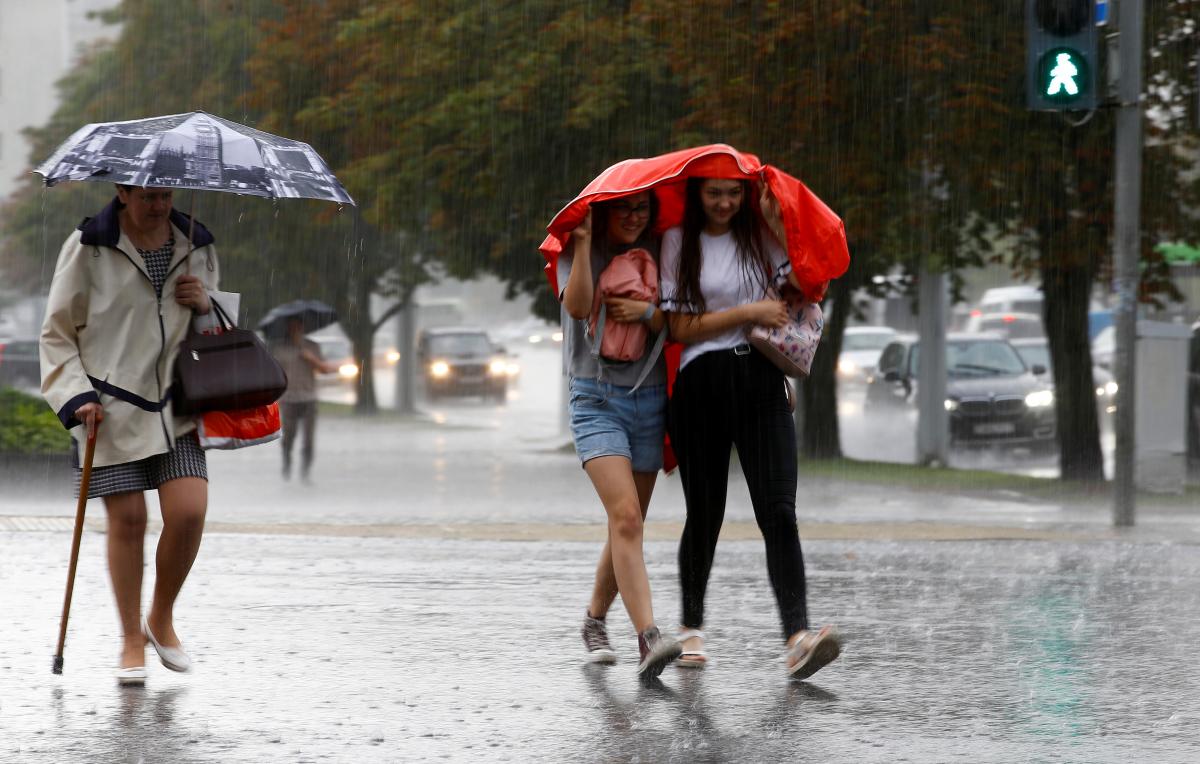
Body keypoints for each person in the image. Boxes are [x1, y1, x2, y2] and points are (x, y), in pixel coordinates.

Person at [660, 175, 842, 679]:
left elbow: (808, 284)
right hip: (702, 386)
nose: (724, 202)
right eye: (714, 192)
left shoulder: (761, 236)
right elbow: (677, 328)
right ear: (697, 194)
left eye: (734, 193)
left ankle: (798, 637)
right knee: (705, 514)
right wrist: (749, 312)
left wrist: (780, 222)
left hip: (761, 379)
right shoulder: (679, 241)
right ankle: (691, 629)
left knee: (780, 511)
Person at [40, 184, 220, 686]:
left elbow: (219, 327)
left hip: (177, 405)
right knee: (130, 521)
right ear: (122, 191)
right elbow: (57, 331)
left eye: (165, 195)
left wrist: (206, 302)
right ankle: (129, 639)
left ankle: (159, 618)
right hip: (108, 407)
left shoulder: (197, 242)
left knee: (189, 511)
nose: (158, 206)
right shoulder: (90, 243)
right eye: (147, 196)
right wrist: (76, 397)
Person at [558, 190, 682, 679]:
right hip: (596, 399)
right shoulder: (578, 247)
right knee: (625, 515)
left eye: (642, 210)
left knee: (628, 523)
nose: (633, 218)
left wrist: (648, 316)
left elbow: (683, 322)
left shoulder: (665, 248)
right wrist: (585, 244)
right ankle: (649, 636)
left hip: (650, 399)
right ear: (605, 212)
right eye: (624, 209)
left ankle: (593, 619)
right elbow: (577, 307)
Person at [270, 318, 338, 482]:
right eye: (292, 325)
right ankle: (286, 465)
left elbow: (325, 370)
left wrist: (311, 358)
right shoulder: (280, 348)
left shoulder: (312, 346)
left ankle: (305, 473)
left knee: (309, 440)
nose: (295, 329)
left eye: (299, 325)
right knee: (289, 438)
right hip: (288, 399)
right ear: (287, 327)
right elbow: (273, 373)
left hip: (309, 399)